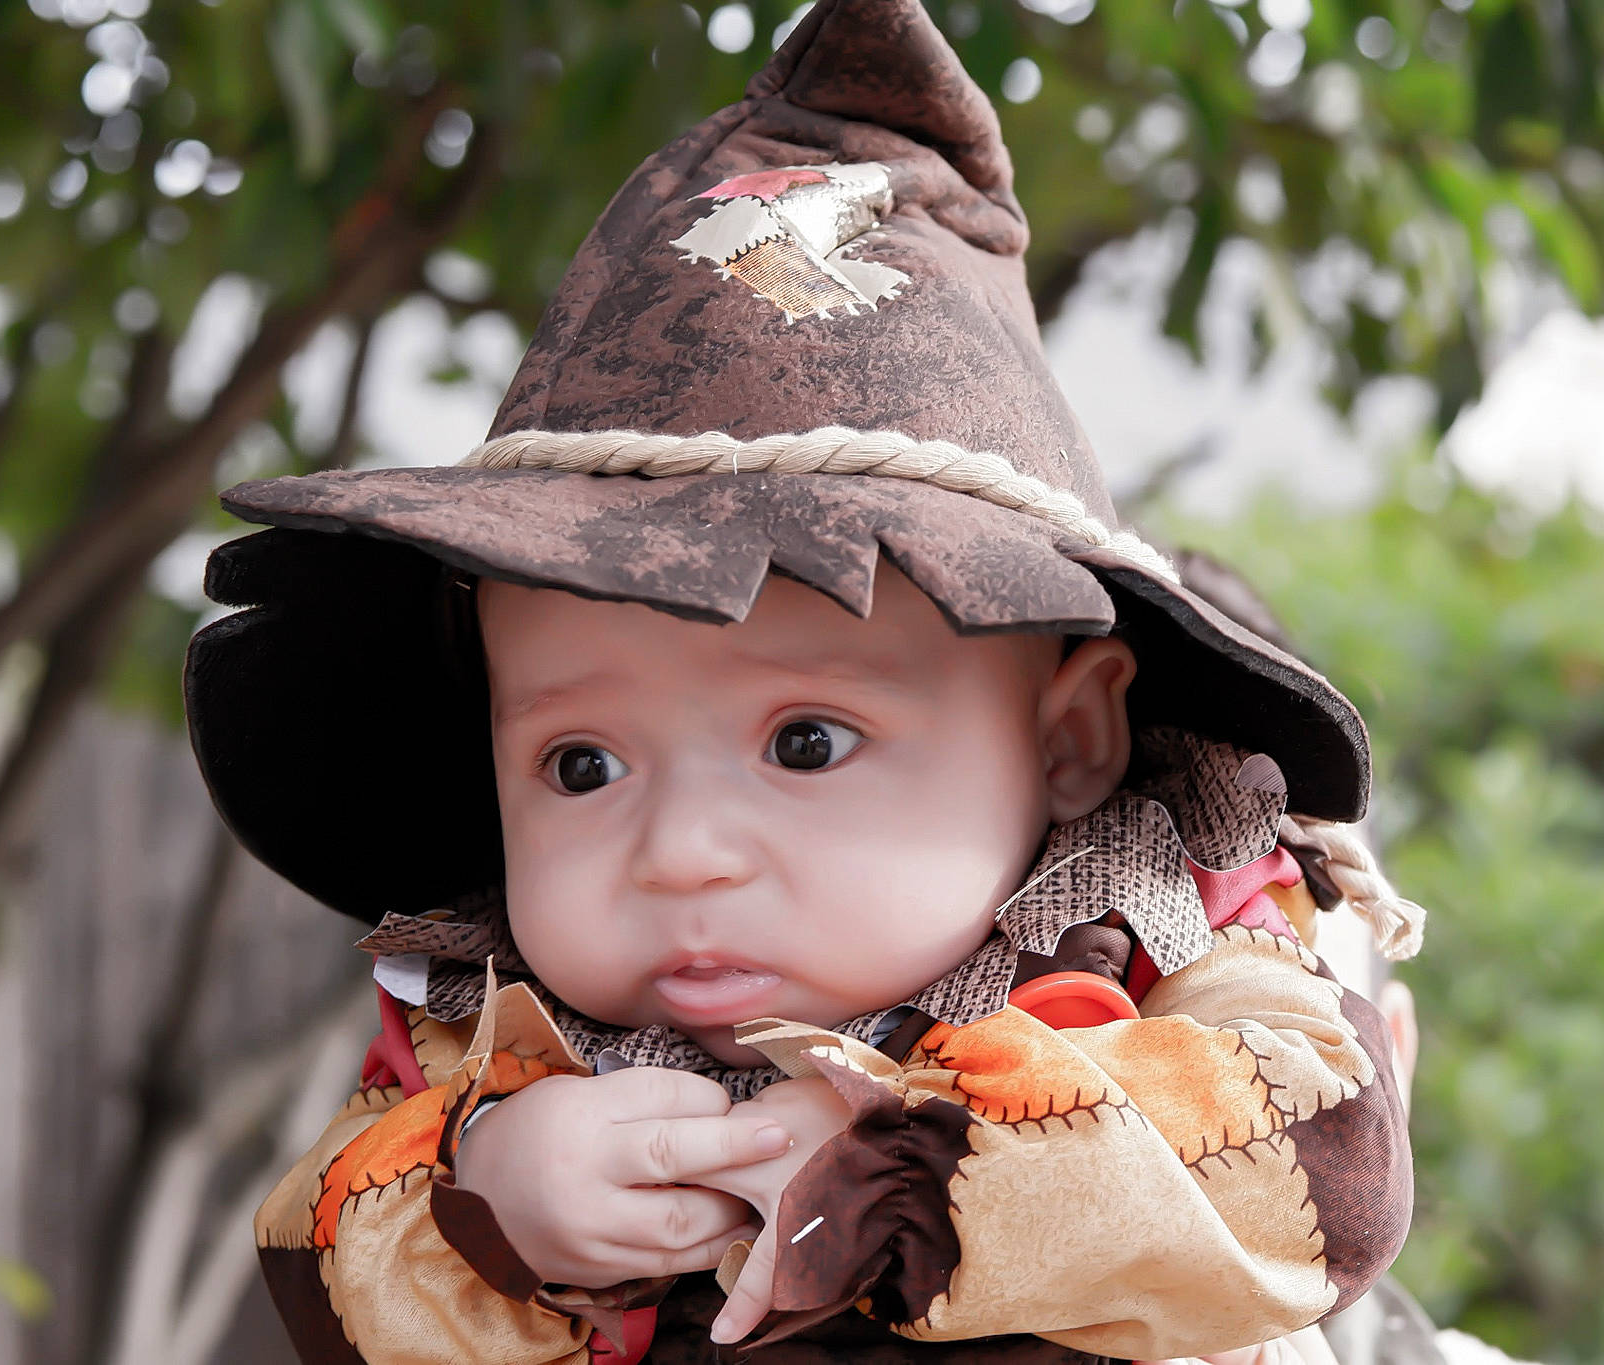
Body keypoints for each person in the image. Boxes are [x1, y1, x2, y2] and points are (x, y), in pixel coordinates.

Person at [182, 2, 1427, 1360]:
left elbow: (1313, 1159)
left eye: (808, 739)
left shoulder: (1168, 926)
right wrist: (492, 1206)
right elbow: (318, 1245)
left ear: (1068, 736)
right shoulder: (498, 1049)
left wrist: (906, 1166)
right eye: (581, 763)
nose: (682, 852)